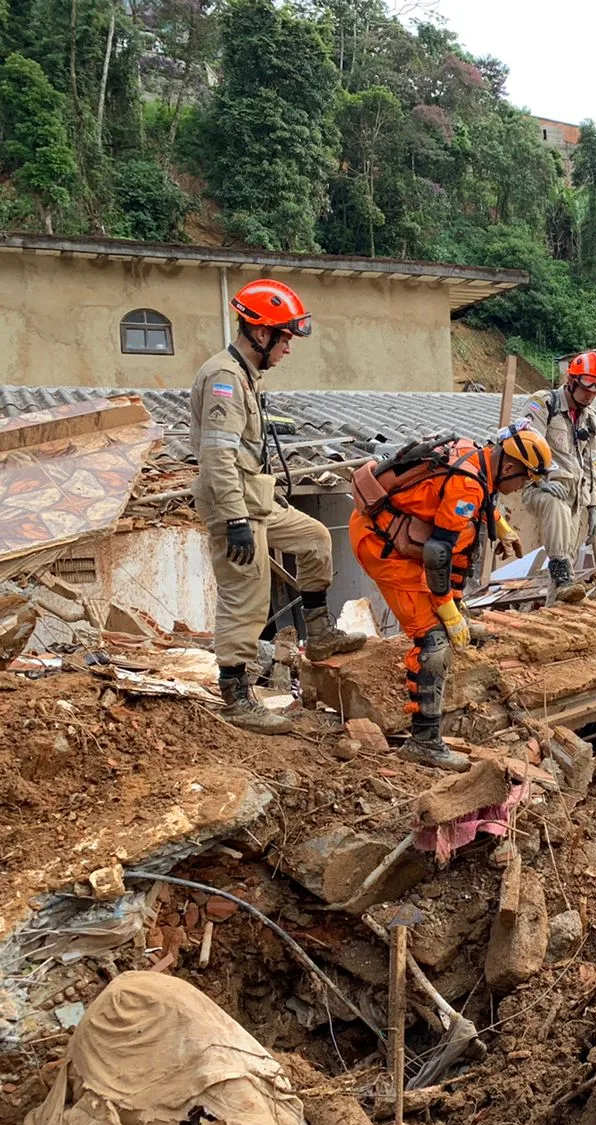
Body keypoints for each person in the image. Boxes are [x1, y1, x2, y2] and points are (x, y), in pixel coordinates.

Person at [192, 279, 367, 735]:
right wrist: (233, 520)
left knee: (314, 539)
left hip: (258, 500)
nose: (289, 349)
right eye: (285, 338)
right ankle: (235, 695)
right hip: (235, 506)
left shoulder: (247, 376)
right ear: (261, 333)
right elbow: (217, 456)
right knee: (246, 594)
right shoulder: (224, 379)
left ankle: (320, 633)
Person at [349, 429, 552, 770]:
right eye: (524, 479)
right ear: (510, 466)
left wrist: (501, 526)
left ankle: (449, 614)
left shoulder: (478, 457)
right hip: (381, 546)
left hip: (393, 534)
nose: (521, 488)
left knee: (460, 558)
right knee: (434, 640)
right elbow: (438, 552)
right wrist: (446, 609)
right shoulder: (469, 486)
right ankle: (424, 740)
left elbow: (468, 503)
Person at [501, 351, 596, 604]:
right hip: (540, 490)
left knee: (566, 572)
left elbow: (590, 464)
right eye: (586, 386)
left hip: (574, 499)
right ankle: (560, 570)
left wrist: (593, 505)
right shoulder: (543, 403)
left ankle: (557, 606)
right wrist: (542, 480)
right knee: (556, 508)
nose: (590, 393)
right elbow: (525, 443)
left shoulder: (589, 417)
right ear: (571, 381)